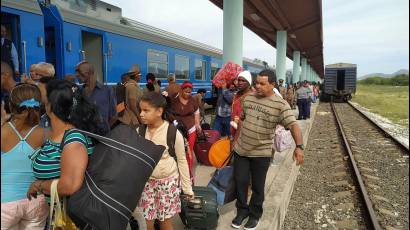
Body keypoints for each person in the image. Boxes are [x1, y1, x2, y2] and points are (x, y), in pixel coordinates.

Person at [26, 80, 106, 228]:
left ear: (51, 106)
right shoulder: (58, 135)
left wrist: (39, 185)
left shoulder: (73, 139)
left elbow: (69, 185)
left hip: (74, 220)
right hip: (59, 216)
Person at [231, 69, 304, 230]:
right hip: (241, 151)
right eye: (256, 82)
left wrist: (299, 146)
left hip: (261, 153)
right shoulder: (248, 98)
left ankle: (254, 214)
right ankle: (242, 211)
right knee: (240, 182)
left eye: (262, 84)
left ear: (272, 84)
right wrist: (235, 140)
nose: (257, 86)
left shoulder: (280, 105)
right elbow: (242, 118)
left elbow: (293, 125)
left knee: (257, 187)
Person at [137, 92, 193, 230]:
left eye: (146, 110)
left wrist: (187, 189)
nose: (141, 114)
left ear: (159, 111)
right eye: (140, 110)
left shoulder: (172, 133)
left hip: (167, 184)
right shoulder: (139, 131)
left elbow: (181, 160)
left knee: (165, 222)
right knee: (146, 222)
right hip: (146, 184)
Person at [1, 84, 49, 229]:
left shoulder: (2, 131)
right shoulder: (46, 133)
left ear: (11, 105)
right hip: (37, 201)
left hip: (5, 203)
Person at [168, 81, 201, 181]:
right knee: (176, 151)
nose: (188, 93)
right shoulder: (174, 99)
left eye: (189, 92)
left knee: (188, 152)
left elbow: (196, 112)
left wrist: (197, 124)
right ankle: (176, 172)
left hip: (190, 130)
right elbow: (167, 110)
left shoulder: (193, 101)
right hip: (177, 129)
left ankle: (187, 174)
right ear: (181, 90)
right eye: (186, 91)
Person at [75, 61, 117, 132]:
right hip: (84, 135)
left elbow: (114, 116)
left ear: (87, 73)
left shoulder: (107, 90)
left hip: (102, 136)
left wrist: (105, 130)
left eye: (79, 72)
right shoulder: (78, 91)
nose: (76, 75)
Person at [230, 71, 252, 143]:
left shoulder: (250, 97)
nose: (240, 82)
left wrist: (235, 140)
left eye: (243, 81)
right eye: (239, 80)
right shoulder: (236, 94)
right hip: (233, 129)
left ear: (249, 83)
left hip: (243, 134)